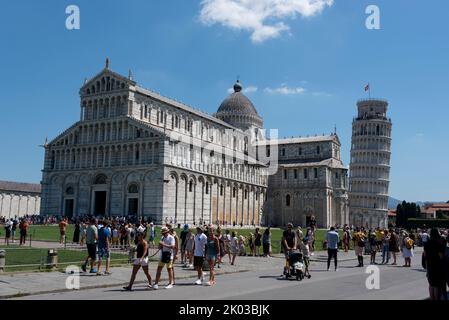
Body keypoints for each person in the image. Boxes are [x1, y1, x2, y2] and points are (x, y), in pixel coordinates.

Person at [422, 228, 446, 300]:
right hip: (438, 266)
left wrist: (427, 269)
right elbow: (441, 256)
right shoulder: (439, 243)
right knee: (436, 285)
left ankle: (432, 298)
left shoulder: (427, 244)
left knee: (431, 284)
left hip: (429, 265)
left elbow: (425, 257)